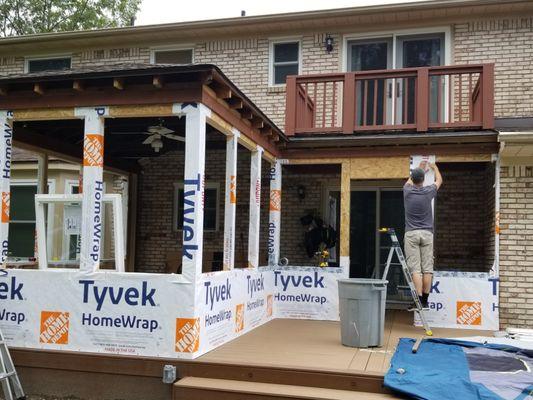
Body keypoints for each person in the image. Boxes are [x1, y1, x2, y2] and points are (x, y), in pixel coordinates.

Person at [403, 162, 442, 309]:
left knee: (415, 270)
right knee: (427, 269)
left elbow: (409, 181)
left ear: (413, 179)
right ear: (423, 180)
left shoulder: (406, 191)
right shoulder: (429, 191)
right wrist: (435, 168)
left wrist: (418, 168)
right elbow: (439, 181)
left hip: (412, 234)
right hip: (427, 233)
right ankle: (425, 300)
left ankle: (418, 300)